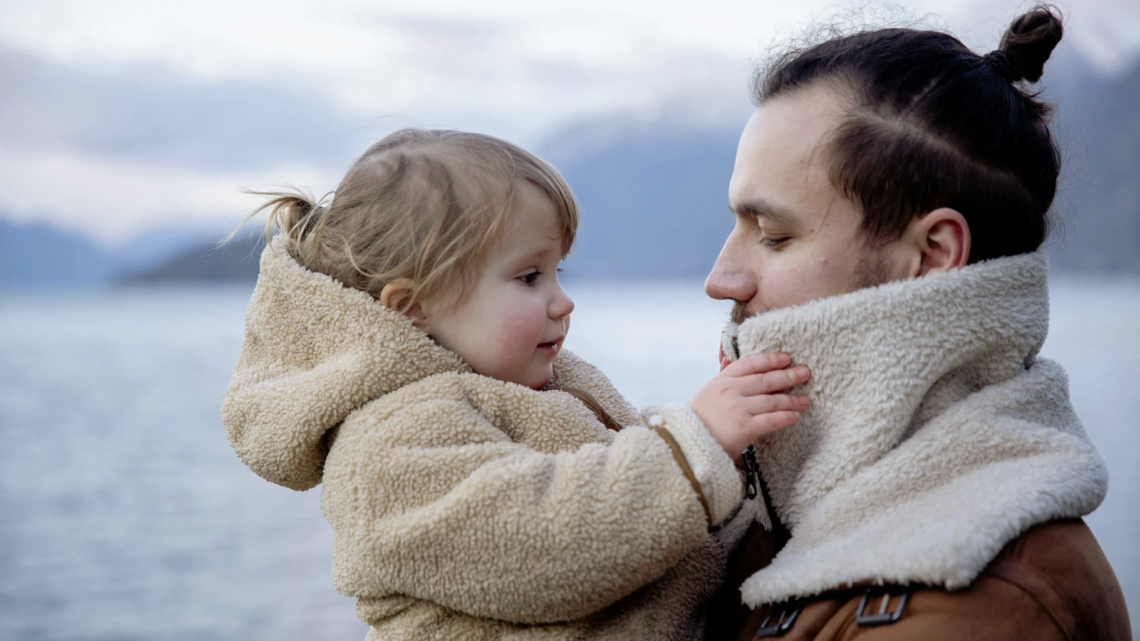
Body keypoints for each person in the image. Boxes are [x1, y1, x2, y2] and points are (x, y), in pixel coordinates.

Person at [220, 128, 806, 640]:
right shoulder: (387, 446)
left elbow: (603, 462)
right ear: (413, 306)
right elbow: (547, 546)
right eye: (528, 277)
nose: (562, 299)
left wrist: (727, 433)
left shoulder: (529, 379)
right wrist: (696, 440)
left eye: (557, 271)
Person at [702, 6, 1131, 640]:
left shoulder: (980, 599)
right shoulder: (759, 511)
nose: (720, 279)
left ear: (930, 256)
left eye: (772, 234)